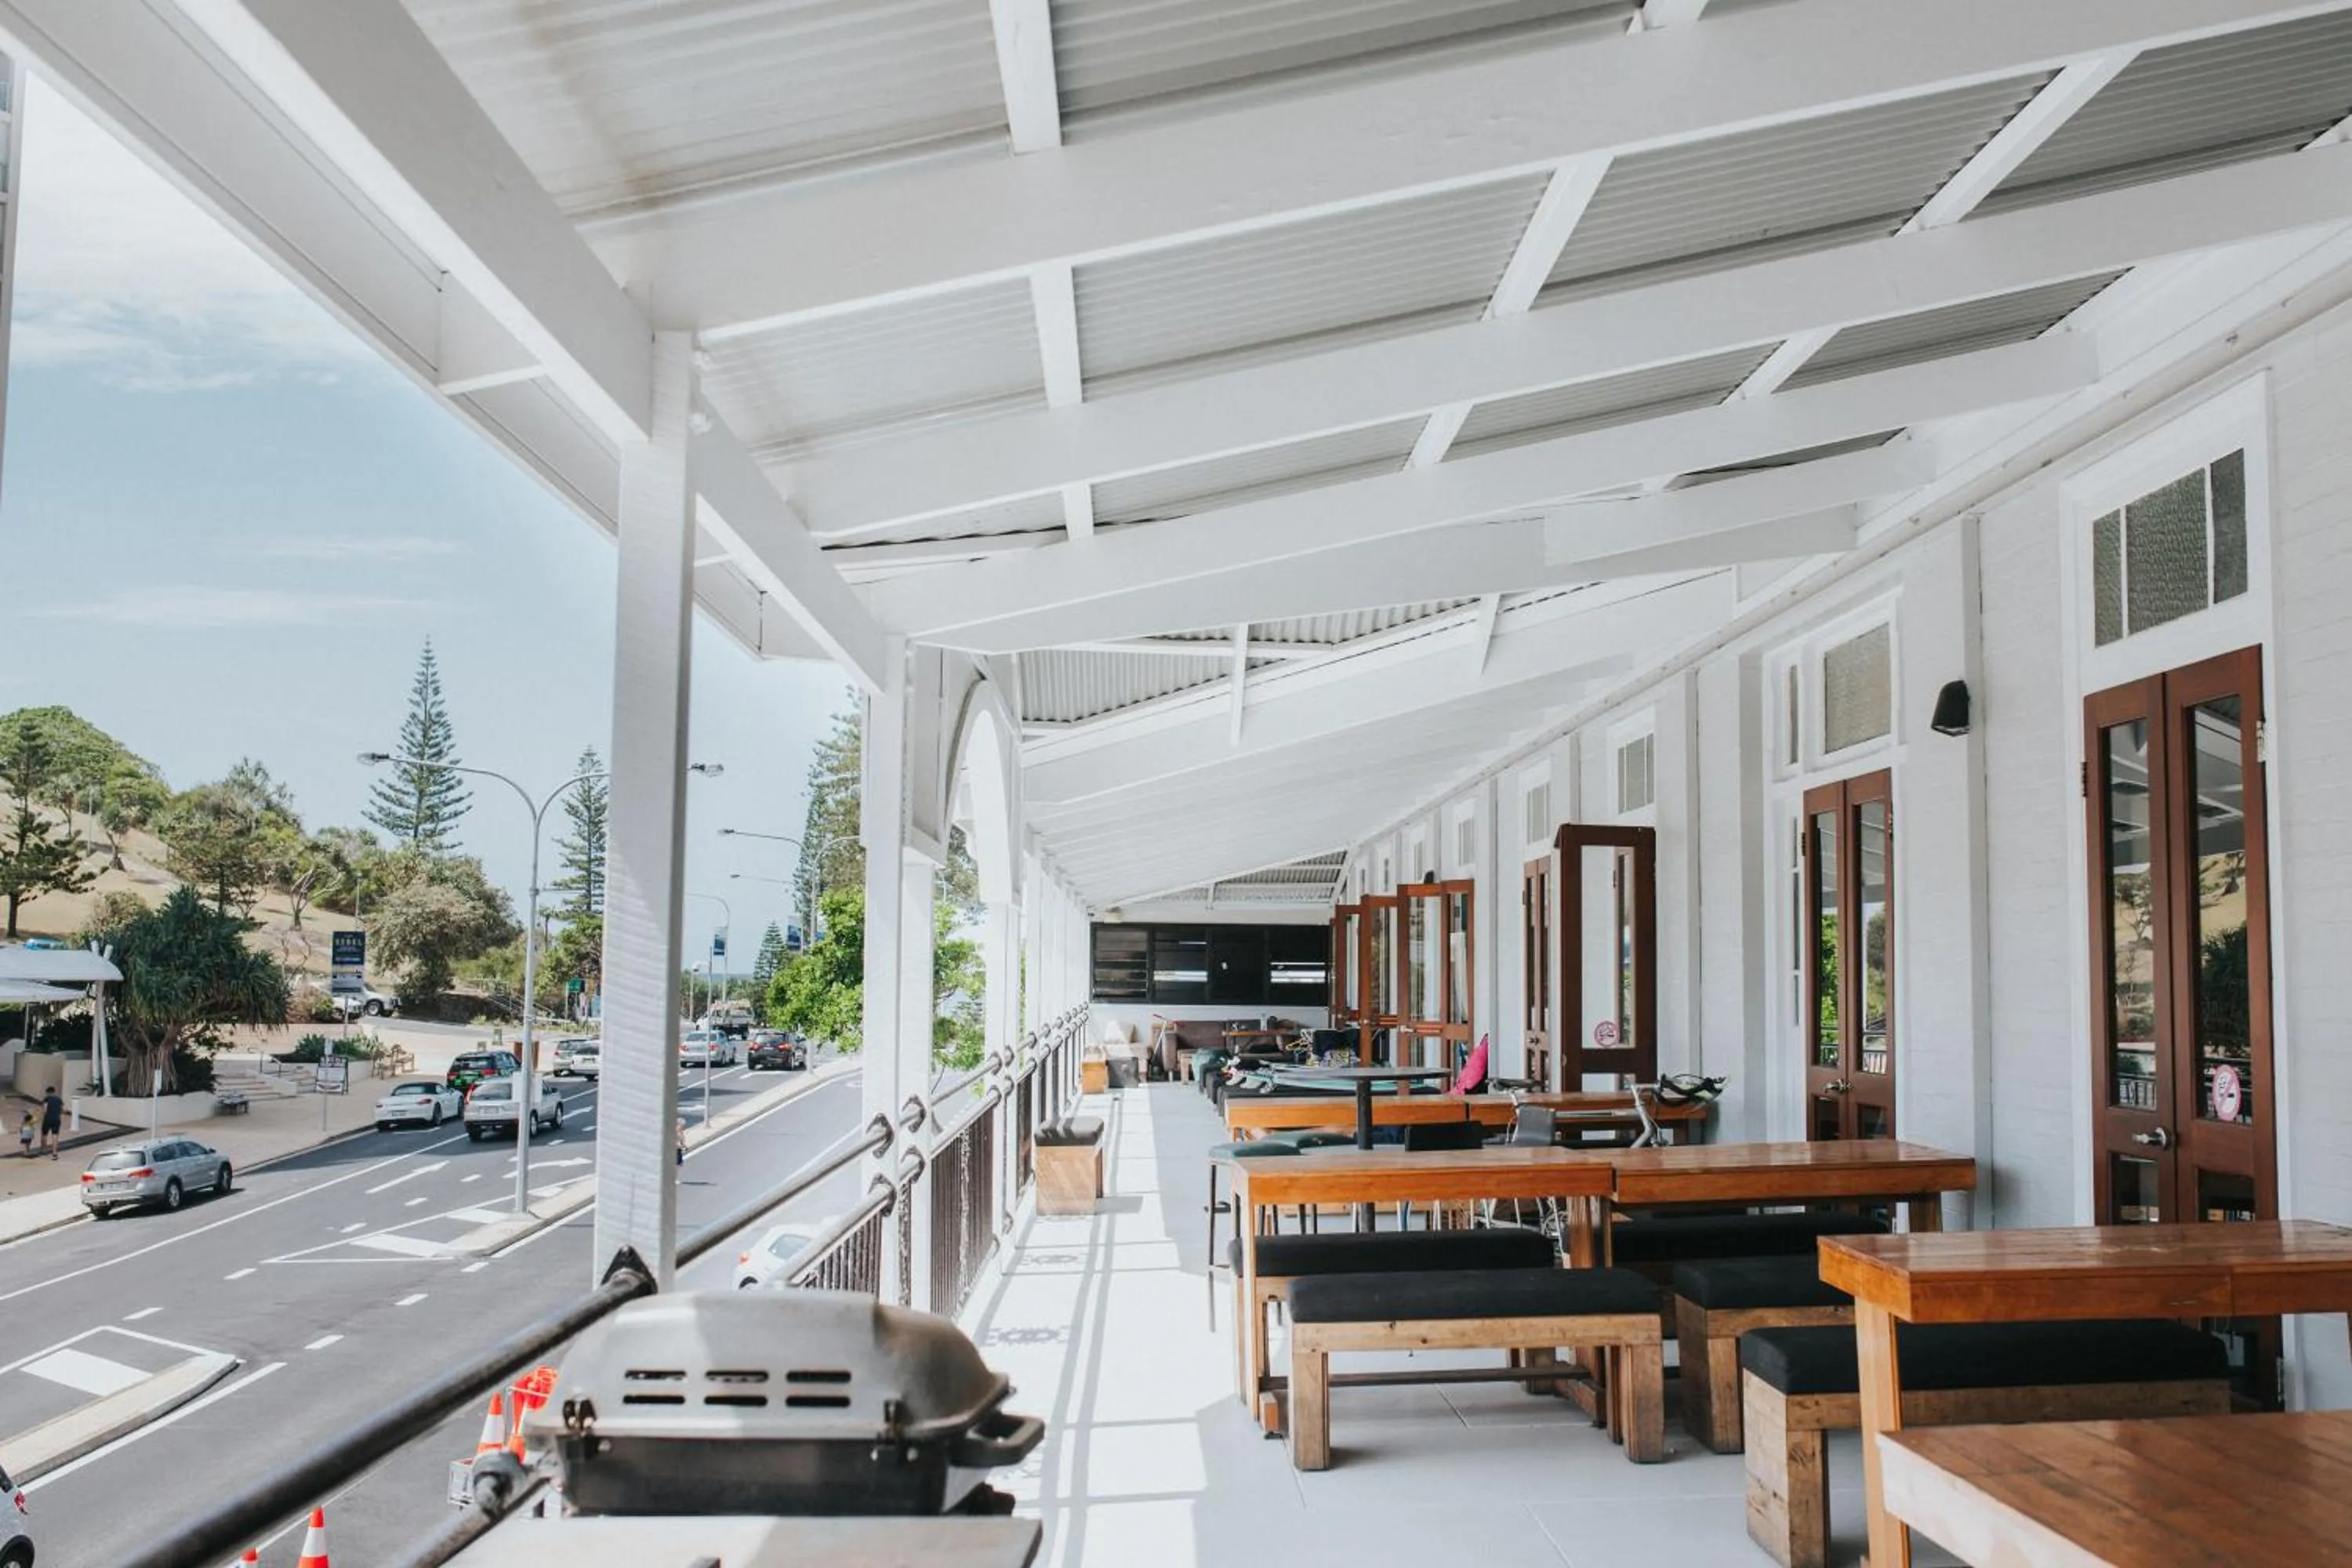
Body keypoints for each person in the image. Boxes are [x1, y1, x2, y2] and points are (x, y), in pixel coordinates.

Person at [38, 1088, 64, 1160]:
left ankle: (43, 1150)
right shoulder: (59, 1099)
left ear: (48, 1092)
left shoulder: (47, 1099)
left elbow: (45, 1110)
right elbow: (61, 1110)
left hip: (48, 1119)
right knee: (55, 1135)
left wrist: (43, 1115)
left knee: (44, 1134)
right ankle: (54, 1152)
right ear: (54, 1092)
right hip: (57, 1119)